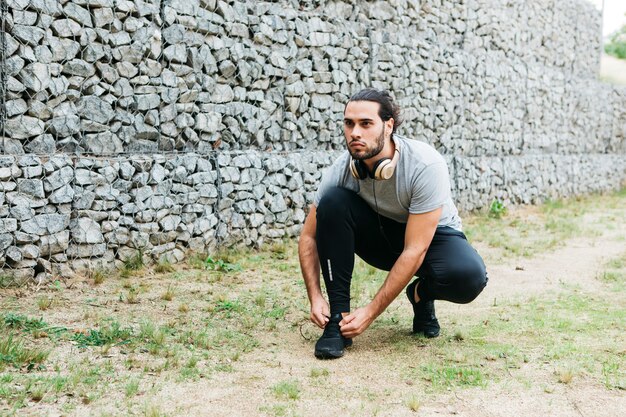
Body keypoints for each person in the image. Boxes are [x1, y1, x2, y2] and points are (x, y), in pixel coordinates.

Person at [298, 88, 488, 359]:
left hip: (431, 240)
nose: (355, 133)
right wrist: (315, 297)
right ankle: (336, 323)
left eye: (365, 124)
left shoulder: (424, 164)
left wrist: (371, 313)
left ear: (388, 126)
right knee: (333, 203)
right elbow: (308, 237)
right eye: (349, 123)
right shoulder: (342, 169)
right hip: (381, 236)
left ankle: (421, 295)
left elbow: (415, 250)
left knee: (470, 277)